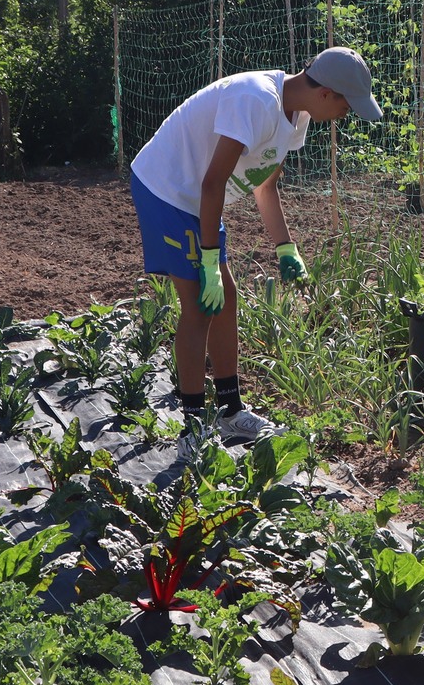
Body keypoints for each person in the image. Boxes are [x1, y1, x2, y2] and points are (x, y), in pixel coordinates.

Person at [128, 47, 381, 447]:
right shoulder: (255, 99)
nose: (345, 117)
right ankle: (193, 426)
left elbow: (265, 184)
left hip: (199, 198)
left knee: (225, 296)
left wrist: (285, 247)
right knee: (198, 304)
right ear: (327, 94)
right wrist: (209, 260)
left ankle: (230, 411)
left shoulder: (297, 115)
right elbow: (213, 183)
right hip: (169, 189)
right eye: (348, 107)